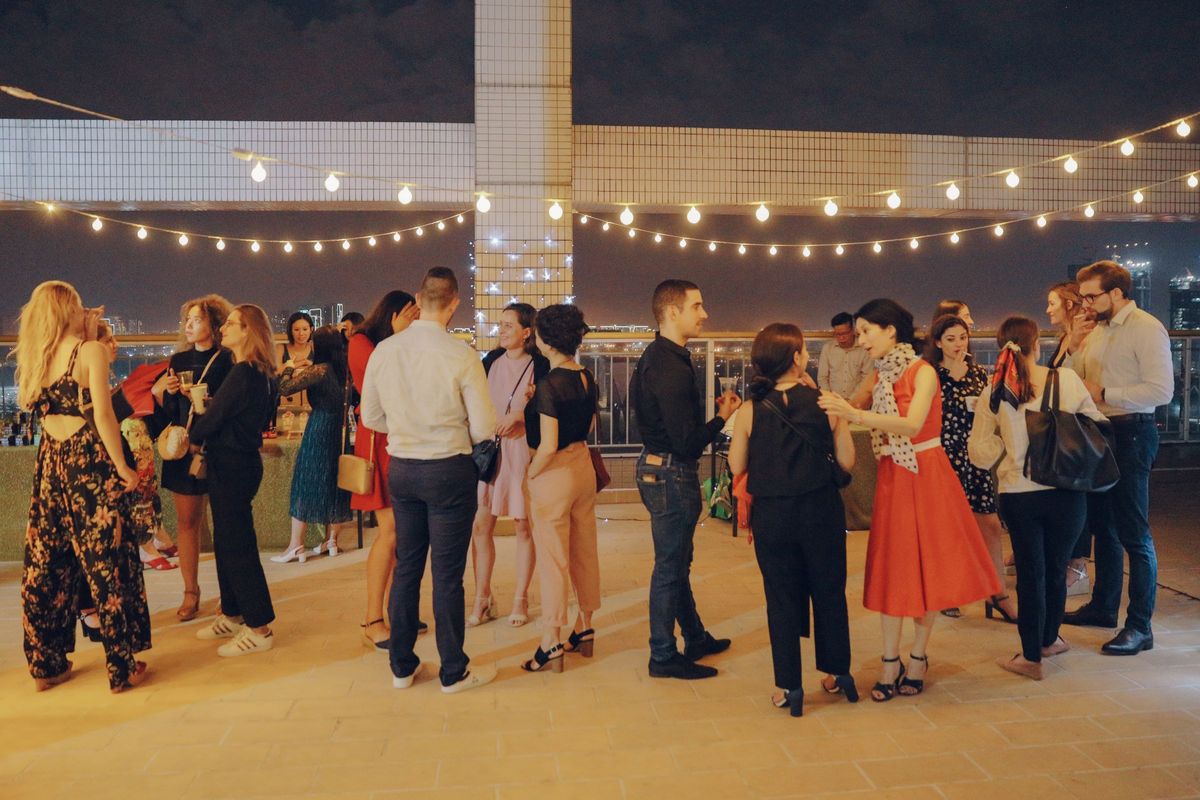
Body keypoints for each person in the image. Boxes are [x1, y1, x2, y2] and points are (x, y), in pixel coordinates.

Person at [819, 299, 1001, 702]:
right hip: (894, 474)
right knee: (894, 569)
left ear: (890, 330)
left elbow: (913, 424)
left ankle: (917, 658)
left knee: (926, 569)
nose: (861, 340)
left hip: (926, 473)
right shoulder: (881, 372)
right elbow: (854, 404)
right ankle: (890, 661)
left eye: (866, 331)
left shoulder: (923, 372)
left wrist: (855, 414)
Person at [361, 267, 498, 693]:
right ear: (454, 304)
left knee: (407, 567)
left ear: (418, 301)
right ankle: (453, 670)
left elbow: (371, 417)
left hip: (403, 468)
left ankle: (402, 667)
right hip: (448, 470)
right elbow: (483, 428)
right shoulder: (461, 355)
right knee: (447, 575)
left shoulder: (385, 350)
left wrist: (407, 429)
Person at [18, 281, 145, 693]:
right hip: (86, 463)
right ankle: (122, 666)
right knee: (105, 559)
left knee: (47, 562)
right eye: (77, 305)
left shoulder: (36, 355)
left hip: (50, 464)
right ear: (67, 310)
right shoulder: (89, 352)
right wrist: (122, 466)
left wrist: (88, 334)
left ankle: (46, 666)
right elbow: (102, 416)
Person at [728, 323, 858, 716]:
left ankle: (789, 686)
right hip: (821, 512)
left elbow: (736, 465)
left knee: (781, 598)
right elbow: (847, 461)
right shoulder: (826, 402)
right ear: (798, 357)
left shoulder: (750, 409)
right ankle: (838, 674)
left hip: (773, 516)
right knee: (829, 591)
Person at [969, 316, 1106, 680]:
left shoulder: (995, 391)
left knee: (1030, 574)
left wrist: (1005, 445)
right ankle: (1049, 641)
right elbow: (1094, 425)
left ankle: (1031, 657)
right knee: (1057, 568)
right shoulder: (1066, 379)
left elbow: (978, 453)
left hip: (1019, 495)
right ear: (1038, 345)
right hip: (1066, 491)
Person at [1061, 260, 1173, 656]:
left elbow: (1162, 391)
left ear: (1117, 292)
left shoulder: (1146, 327)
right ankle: (1104, 607)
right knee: (1103, 527)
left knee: (1134, 532)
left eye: (1091, 296)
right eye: (1083, 298)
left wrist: (1107, 393)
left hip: (1132, 433)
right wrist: (1073, 346)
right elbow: (1075, 380)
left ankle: (1140, 626)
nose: (1086, 305)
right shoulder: (1096, 329)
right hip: (1099, 432)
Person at [632, 279, 742, 680]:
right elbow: (687, 443)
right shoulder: (670, 367)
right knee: (670, 567)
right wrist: (722, 418)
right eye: (697, 306)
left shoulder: (658, 356)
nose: (705, 314)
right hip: (671, 472)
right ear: (672, 311)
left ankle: (694, 637)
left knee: (677, 562)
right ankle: (662, 655)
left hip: (657, 467)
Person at [190, 304, 278, 657]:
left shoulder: (244, 372)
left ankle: (259, 626)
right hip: (237, 463)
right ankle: (233, 612)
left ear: (247, 331)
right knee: (228, 542)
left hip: (233, 465)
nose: (223, 328)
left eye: (231, 324)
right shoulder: (257, 372)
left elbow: (213, 419)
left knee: (238, 546)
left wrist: (196, 427)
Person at [520, 304, 601, 673]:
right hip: (583, 467)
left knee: (554, 558)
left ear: (547, 341)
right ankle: (584, 625)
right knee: (584, 549)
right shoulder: (586, 376)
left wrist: (530, 474)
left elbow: (548, 445)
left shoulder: (549, 384)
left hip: (554, 474)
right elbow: (590, 426)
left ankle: (550, 640)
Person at [925, 314, 1016, 623]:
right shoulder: (931, 375)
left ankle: (998, 593)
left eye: (962, 337)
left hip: (974, 458)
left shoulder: (978, 374)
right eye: (950, 339)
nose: (958, 344)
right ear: (938, 342)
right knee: (948, 527)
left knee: (989, 524)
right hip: (944, 457)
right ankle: (947, 590)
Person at [348, 290, 425, 649]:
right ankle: (372, 618)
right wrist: (398, 338)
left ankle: (399, 611)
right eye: (411, 316)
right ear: (393, 314)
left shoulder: (395, 343)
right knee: (391, 531)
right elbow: (378, 386)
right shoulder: (361, 342)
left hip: (400, 439)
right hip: (378, 441)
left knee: (405, 533)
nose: (415, 323)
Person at [151, 295, 235, 621]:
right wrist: (168, 393)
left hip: (218, 449)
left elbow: (232, 406)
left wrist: (206, 400)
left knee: (226, 524)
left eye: (197, 319)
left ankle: (230, 594)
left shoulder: (228, 359)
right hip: (184, 450)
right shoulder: (178, 360)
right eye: (187, 319)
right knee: (187, 524)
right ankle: (190, 592)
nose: (188, 325)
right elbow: (171, 415)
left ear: (214, 324)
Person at [470, 302, 549, 628]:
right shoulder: (489, 362)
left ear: (526, 332)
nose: (501, 330)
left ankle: (521, 598)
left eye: (508, 325)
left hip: (522, 451)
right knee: (480, 525)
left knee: (522, 525)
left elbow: (548, 411)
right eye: (500, 325)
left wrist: (521, 415)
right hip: (491, 451)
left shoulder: (540, 366)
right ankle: (482, 597)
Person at [272, 326, 353, 562]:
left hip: (319, 426)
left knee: (305, 481)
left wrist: (288, 368)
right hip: (340, 431)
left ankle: (295, 546)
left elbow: (285, 388)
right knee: (335, 481)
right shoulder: (343, 371)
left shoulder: (319, 370)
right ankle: (331, 541)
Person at [1045, 281, 1095, 597]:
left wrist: (1075, 343)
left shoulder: (1084, 336)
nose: (1048, 309)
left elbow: (1080, 377)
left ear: (1068, 304)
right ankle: (1067, 560)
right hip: (1064, 426)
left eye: (1052, 303)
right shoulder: (1066, 336)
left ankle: (1078, 566)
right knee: (1064, 493)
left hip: (1080, 427)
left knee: (1078, 495)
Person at [817, 312, 873, 399]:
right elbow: (822, 378)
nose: (841, 338)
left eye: (844, 333)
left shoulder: (864, 348)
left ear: (853, 330)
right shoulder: (828, 348)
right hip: (832, 400)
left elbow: (867, 378)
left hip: (857, 400)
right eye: (837, 334)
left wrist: (851, 400)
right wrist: (830, 398)